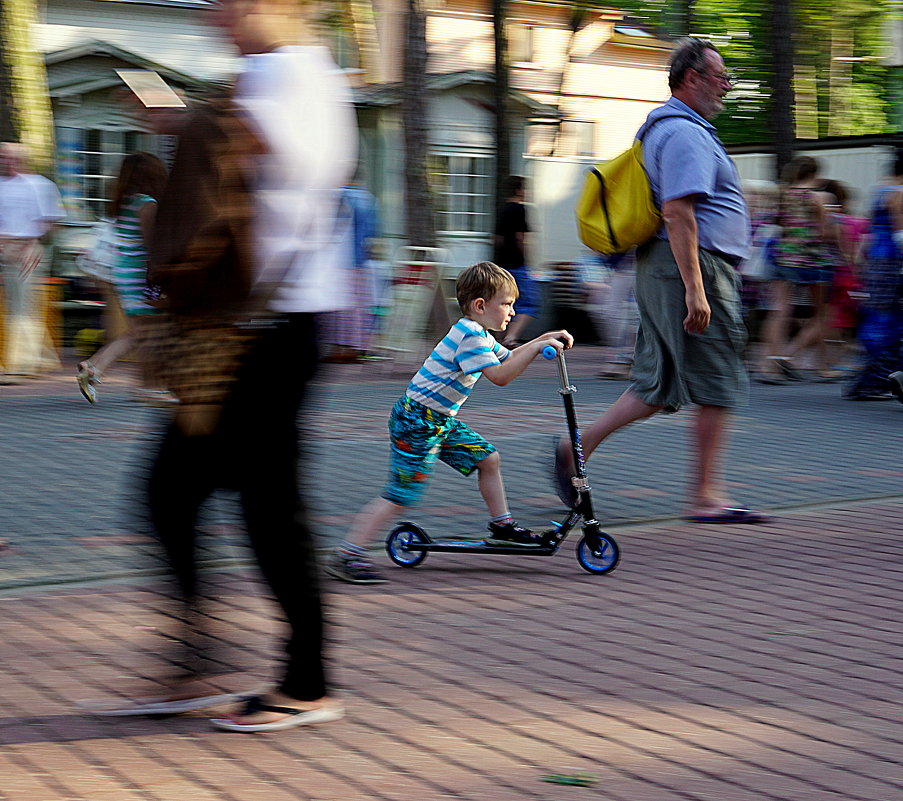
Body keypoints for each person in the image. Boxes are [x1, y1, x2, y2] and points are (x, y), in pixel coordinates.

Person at [88, 0, 358, 733]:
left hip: (273, 327)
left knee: (265, 506)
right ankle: (202, 659)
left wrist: (194, 122)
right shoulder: (267, 73)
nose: (214, 14)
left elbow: (291, 162)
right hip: (244, 328)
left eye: (227, 3)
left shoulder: (301, 73)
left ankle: (306, 680)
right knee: (175, 491)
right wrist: (187, 121)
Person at [552, 37, 766, 525]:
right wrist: (696, 287)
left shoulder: (668, 129)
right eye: (720, 77)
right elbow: (678, 212)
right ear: (691, 79)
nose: (726, 87)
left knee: (657, 384)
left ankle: (574, 447)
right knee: (718, 380)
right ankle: (706, 495)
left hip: (668, 266)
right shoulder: (686, 133)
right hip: (695, 268)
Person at [327, 261, 572, 584]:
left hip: (439, 420)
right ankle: (348, 554)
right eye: (507, 304)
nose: (512, 312)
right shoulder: (469, 336)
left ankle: (502, 526)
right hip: (417, 422)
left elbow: (509, 358)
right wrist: (539, 346)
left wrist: (544, 338)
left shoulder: (477, 332)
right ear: (480, 306)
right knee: (401, 495)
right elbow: (500, 376)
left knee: (488, 458)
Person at [76, 153, 167, 403]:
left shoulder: (124, 202)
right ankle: (149, 386)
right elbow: (151, 245)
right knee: (145, 333)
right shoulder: (147, 204)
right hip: (140, 274)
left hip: (124, 271)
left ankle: (95, 367)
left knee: (138, 332)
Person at [757, 156, 835, 382]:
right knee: (822, 314)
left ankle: (768, 365)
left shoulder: (783, 195)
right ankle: (806, 361)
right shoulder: (817, 198)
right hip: (812, 260)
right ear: (813, 174)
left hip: (783, 258)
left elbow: (777, 225)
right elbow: (823, 232)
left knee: (779, 311)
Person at [0, 142, 65, 381]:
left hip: (28, 249)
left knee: (22, 309)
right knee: (17, 307)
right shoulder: (2, 186)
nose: (7, 161)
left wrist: (35, 246)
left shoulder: (39, 185)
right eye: (3, 156)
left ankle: (20, 366)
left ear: (23, 158)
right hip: (6, 250)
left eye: (11, 156)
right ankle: (40, 358)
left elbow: (51, 223)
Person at [844, 152, 903, 401]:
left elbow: (871, 229)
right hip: (892, 261)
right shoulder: (899, 191)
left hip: (877, 261)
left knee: (878, 318)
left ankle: (869, 379)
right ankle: (877, 380)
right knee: (891, 321)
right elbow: (899, 228)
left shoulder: (880, 189)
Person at [494, 176, 540, 345]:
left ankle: (498, 338)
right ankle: (510, 337)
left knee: (502, 300)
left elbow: (497, 239)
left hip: (501, 264)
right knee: (529, 303)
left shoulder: (502, 209)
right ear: (519, 190)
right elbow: (520, 237)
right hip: (517, 263)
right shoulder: (520, 210)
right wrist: (526, 258)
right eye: (525, 189)